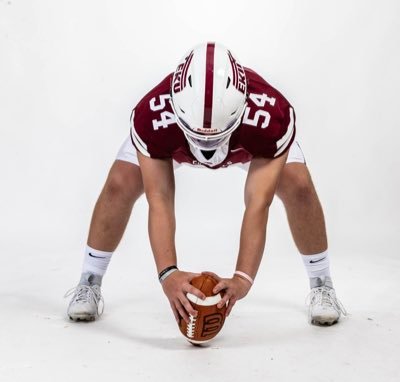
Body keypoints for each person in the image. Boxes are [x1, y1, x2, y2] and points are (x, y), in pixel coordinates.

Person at [65, 42, 346, 326]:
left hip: (245, 140)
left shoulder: (270, 117)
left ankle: (321, 283)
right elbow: (159, 198)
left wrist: (242, 278)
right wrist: (168, 274)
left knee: (299, 184)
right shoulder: (152, 116)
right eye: (199, 137)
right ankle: (90, 279)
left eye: (214, 137)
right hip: (177, 138)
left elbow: (258, 203)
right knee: (120, 182)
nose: (207, 148)